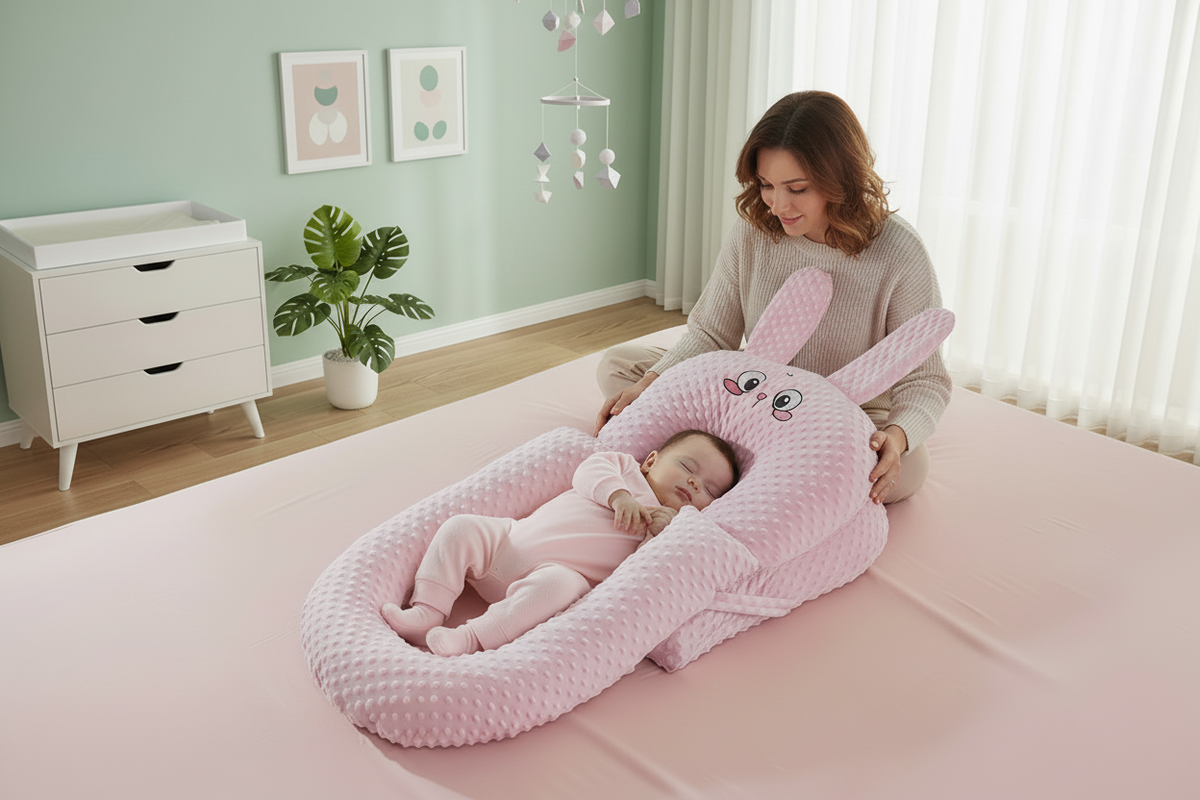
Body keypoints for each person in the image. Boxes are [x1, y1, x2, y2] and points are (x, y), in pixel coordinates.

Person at [594, 90, 951, 505]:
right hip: (751, 394)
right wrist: (650, 385)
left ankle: (730, 466)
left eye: (797, 188)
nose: (778, 204)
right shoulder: (754, 232)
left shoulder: (898, 252)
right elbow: (711, 334)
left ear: (841, 178)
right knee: (619, 367)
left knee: (909, 470)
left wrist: (898, 434)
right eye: (766, 185)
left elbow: (926, 380)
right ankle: (753, 468)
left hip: (846, 413)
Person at [382, 430, 739, 657]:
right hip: (508, 540)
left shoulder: (671, 530)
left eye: (709, 489)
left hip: (553, 575)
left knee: (563, 585)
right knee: (460, 527)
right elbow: (588, 472)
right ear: (651, 461)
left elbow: (640, 579)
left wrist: (662, 533)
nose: (694, 484)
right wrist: (619, 497)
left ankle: (471, 638)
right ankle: (427, 610)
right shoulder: (624, 471)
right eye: (688, 467)